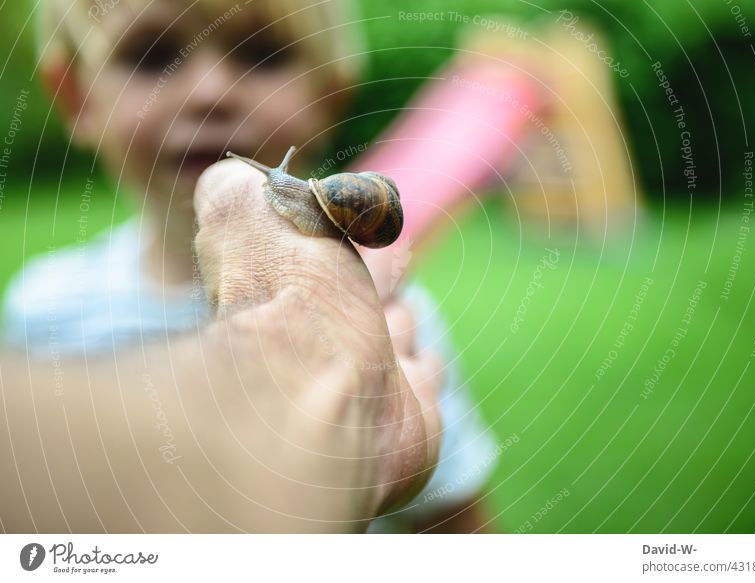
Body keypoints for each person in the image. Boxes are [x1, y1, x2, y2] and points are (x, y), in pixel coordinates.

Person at [1, 0, 497, 532]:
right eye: (151, 56)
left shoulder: (384, 322)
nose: (209, 92)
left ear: (331, 93)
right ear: (78, 99)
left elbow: (455, 530)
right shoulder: (44, 309)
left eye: (265, 55)